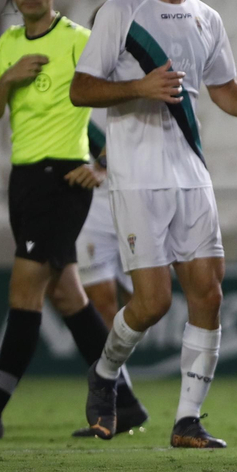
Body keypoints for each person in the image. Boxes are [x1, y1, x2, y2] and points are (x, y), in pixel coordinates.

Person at [71, 0, 237, 448]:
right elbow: (80, 88)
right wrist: (140, 86)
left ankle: (187, 420)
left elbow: (223, 87)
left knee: (208, 294)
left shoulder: (208, 18)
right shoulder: (121, 12)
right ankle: (105, 373)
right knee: (154, 302)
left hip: (192, 173)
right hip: (137, 177)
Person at [0, 0, 148, 440]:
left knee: (24, 289)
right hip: (25, 179)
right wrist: (7, 80)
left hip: (62, 178)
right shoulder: (9, 44)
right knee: (68, 297)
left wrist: (101, 164)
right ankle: (127, 404)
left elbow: (120, 98)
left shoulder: (78, 40)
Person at [74, 107, 131, 328]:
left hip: (135, 196)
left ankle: (115, 358)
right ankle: (112, 364)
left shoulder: (136, 75)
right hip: (91, 203)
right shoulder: (69, 78)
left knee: (148, 303)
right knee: (103, 303)